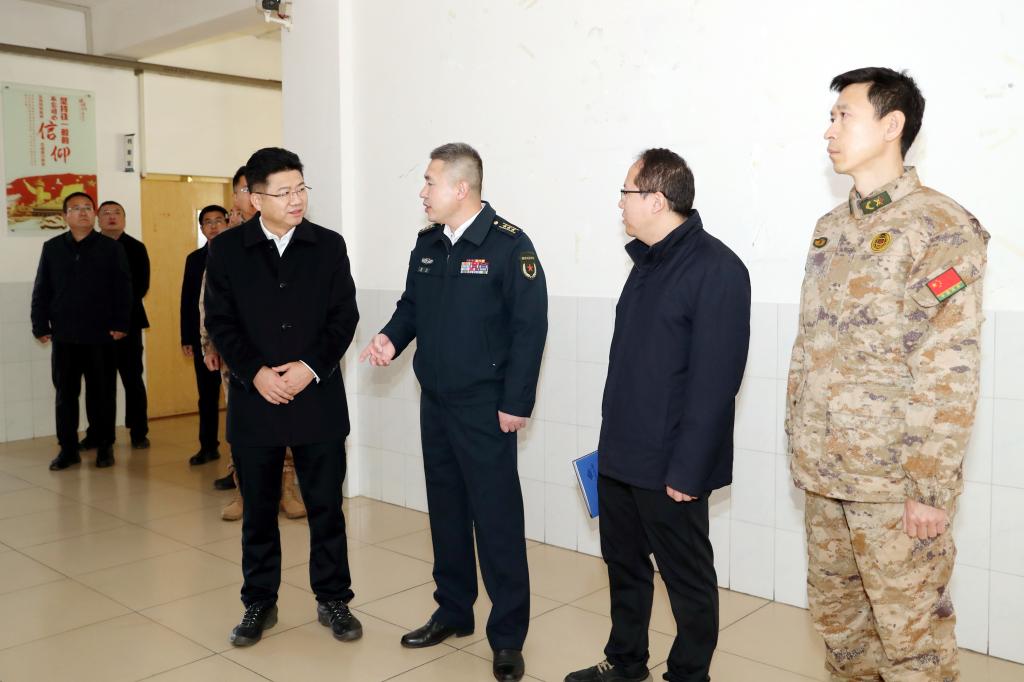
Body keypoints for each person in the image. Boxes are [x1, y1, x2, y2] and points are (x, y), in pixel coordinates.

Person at [787, 67, 989, 681]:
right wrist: (801, 448)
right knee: (841, 633)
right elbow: (808, 350)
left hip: (893, 487)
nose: (829, 131)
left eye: (843, 116)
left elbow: (948, 368)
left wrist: (929, 489)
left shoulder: (940, 227)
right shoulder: (830, 229)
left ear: (891, 124)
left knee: (912, 645)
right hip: (826, 475)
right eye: (831, 117)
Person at [361, 142, 547, 682]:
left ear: (461, 189)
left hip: (486, 408)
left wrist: (516, 402)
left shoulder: (509, 245)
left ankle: (507, 636)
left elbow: (530, 328)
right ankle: (453, 610)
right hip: (436, 404)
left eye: (430, 181)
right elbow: (411, 307)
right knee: (445, 512)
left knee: (496, 521)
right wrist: (390, 339)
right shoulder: (428, 245)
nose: (422, 191)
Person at [565, 149, 750, 682]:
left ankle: (689, 673)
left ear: (656, 199)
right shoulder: (646, 263)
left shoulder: (717, 268)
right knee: (623, 567)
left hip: (671, 465)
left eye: (625, 192)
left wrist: (688, 471)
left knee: (686, 578)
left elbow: (716, 384)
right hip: (622, 455)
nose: (619, 203)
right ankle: (626, 661)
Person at [205, 147, 360, 647]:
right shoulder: (228, 250)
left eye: (301, 189)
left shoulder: (328, 245)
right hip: (256, 399)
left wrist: (309, 367)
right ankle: (259, 602)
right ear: (254, 198)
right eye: (284, 192)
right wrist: (255, 373)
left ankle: (333, 599)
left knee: (325, 507)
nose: (296, 200)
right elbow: (220, 321)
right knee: (258, 510)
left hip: (317, 398)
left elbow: (344, 317)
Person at [31, 192, 132, 470]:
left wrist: (121, 323)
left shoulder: (110, 248)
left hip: (101, 335)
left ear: (94, 214)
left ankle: (104, 446)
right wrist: (40, 325)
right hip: (65, 336)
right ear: (65, 216)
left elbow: (123, 289)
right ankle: (68, 449)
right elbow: (42, 289)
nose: (83, 212)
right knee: (65, 395)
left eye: (88, 207)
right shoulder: (52, 248)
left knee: (102, 394)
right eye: (76, 208)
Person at [77, 200, 150, 450]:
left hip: (129, 324)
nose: (111, 217)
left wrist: (118, 317)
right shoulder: (89, 246)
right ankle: (96, 432)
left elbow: (141, 287)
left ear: (124, 219)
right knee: (97, 382)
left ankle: (139, 432)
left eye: (116, 213)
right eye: (106, 213)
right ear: (98, 219)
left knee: (132, 379)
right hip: (96, 328)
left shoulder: (136, 248)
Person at [212, 167, 257, 492]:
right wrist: (208, 344)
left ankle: (285, 487)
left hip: (275, 355)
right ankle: (242, 488)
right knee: (241, 425)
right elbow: (211, 304)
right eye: (246, 189)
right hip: (235, 353)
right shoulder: (226, 242)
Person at [181, 205, 229, 465]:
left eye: (218, 220)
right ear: (201, 228)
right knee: (207, 396)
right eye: (208, 222)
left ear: (227, 223)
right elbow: (188, 301)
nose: (213, 226)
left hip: (230, 339)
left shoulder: (237, 253)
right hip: (204, 340)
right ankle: (208, 447)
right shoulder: (195, 259)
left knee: (235, 400)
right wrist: (187, 338)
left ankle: (237, 457)